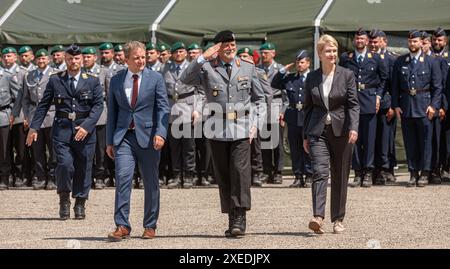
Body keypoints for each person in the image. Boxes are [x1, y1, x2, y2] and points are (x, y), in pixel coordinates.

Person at [181, 30, 265, 237]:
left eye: (233, 43)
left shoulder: (247, 67)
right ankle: (232, 216)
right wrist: (202, 57)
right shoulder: (207, 68)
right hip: (216, 128)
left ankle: (239, 217)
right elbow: (185, 79)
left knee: (239, 171)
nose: (230, 47)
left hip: (243, 127)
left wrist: (256, 123)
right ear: (217, 47)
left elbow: (260, 99)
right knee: (224, 174)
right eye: (225, 44)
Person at [26, 44, 103, 220]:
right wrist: (34, 127)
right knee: (64, 165)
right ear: (64, 59)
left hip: (84, 131)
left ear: (82, 59)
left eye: (76, 58)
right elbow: (44, 104)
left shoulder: (92, 80)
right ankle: (64, 199)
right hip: (62, 130)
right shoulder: (55, 79)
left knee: (83, 166)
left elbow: (98, 106)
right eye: (70, 58)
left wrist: (87, 126)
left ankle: (80, 202)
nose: (73, 61)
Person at [106, 41, 169, 241]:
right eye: (136, 58)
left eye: (143, 57)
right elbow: (112, 113)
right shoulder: (116, 80)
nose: (141, 60)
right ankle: (122, 225)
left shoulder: (156, 78)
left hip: (149, 138)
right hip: (124, 137)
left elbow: (163, 108)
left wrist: (161, 132)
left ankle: (150, 225)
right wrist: (109, 141)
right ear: (126, 59)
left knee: (150, 183)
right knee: (123, 180)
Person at [303, 34, 359, 234]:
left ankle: (338, 218)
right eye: (328, 51)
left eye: (334, 50)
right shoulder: (312, 77)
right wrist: (305, 135)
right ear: (320, 54)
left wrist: (354, 127)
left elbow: (353, 104)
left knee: (340, 175)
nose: (332, 54)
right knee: (319, 172)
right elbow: (307, 108)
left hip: (342, 131)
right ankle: (318, 216)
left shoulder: (347, 75)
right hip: (318, 131)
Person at [392, 30, 442, 187]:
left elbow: (437, 87)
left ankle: (425, 173)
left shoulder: (431, 61)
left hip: (424, 107)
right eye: (410, 41)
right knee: (410, 142)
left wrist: (434, 106)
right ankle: (413, 173)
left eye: (415, 41)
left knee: (426, 142)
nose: (412, 44)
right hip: (407, 107)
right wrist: (396, 106)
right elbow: (394, 87)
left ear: (422, 42)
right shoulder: (400, 61)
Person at [340, 28, 387, 188]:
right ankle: (358, 172)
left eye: (362, 39)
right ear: (354, 40)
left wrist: (378, 96)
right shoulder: (347, 58)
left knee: (369, 139)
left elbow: (383, 79)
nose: (359, 41)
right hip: (352, 102)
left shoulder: (375, 58)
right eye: (357, 39)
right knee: (353, 138)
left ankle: (368, 171)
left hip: (369, 100)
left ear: (367, 41)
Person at [12, 49, 57, 190]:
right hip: (34, 116)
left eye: (43, 58)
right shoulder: (29, 75)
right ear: (35, 60)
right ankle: (41, 177)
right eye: (39, 59)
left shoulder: (55, 74)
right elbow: (25, 99)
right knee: (37, 150)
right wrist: (26, 115)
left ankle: (53, 178)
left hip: (51, 114)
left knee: (53, 150)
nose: (41, 61)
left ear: (48, 59)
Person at [272, 49, 313, 188]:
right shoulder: (291, 78)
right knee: (295, 148)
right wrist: (283, 70)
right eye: (297, 62)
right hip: (294, 116)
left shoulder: (313, 78)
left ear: (308, 63)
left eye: (302, 62)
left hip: (308, 116)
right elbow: (275, 83)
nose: (299, 65)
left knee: (307, 147)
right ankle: (298, 175)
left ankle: (309, 175)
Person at [81, 47, 112, 189]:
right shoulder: (79, 73)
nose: (86, 59)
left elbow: (110, 95)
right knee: (85, 149)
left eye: (89, 57)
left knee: (100, 149)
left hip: (100, 115)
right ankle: (87, 177)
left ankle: (100, 176)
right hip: (83, 115)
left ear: (95, 57)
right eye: (84, 57)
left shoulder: (103, 72)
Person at [258, 42, 285, 184]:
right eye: (262, 53)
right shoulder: (258, 69)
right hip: (263, 106)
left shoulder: (280, 69)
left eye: (267, 53)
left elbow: (287, 91)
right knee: (265, 140)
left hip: (276, 104)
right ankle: (267, 170)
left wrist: (283, 111)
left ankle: (278, 171)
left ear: (273, 53)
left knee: (277, 140)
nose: (264, 55)